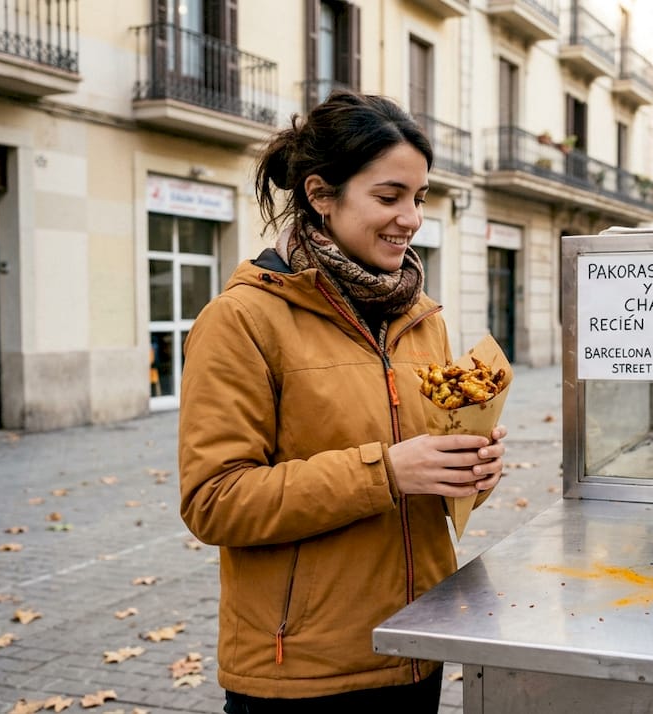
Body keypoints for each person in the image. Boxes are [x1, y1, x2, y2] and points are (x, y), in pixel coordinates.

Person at [177, 90, 507, 713]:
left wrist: (471, 472)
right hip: (304, 673)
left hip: (417, 645)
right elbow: (214, 501)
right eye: (389, 197)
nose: (411, 218)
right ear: (321, 195)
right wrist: (385, 473)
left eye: (418, 198)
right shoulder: (241, 320)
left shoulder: (420, 316)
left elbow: (428, 474)